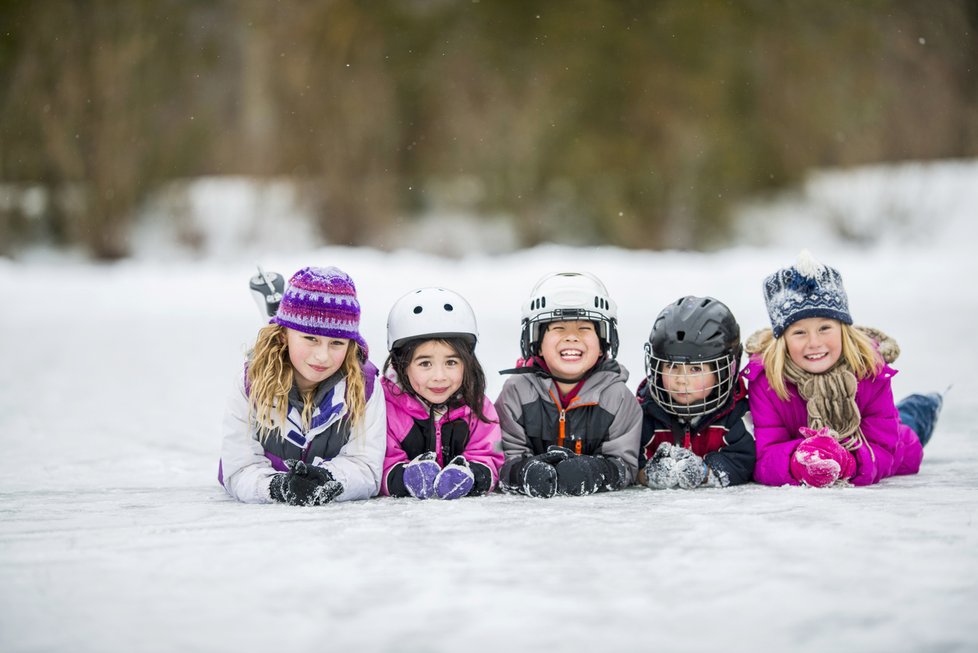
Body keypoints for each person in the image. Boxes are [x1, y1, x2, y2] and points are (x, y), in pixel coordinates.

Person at [744, 251, 942, 488]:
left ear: (843, 329)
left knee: (909, 438)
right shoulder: (766, 381)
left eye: (825, 328)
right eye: (799, 332)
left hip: (883, 442)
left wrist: (848, 462)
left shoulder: (869, 370)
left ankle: (924, 407)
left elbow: (883, 448)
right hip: (818, 449)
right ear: (782, 339)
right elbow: (765, 457)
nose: (814, 342)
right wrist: (800, 460)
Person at [219, 266, 386, 505]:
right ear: (284, 335)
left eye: (337, 342)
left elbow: (366, 467)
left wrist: (328, 478)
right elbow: (238, 467)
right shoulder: (251, 382)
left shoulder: (364, 386)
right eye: (311, 338)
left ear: (351, 344)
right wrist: (277, 487)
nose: (322, 356)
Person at [495, 272, 641, 498]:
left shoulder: (617, 397)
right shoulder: (516, 391)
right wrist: (524, 471)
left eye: (584, 328)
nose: (571, 337)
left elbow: (626, 465)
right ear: (537, 344)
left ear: (602, 345)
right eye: (558, 328)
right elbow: (505, 460)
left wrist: (595, 471)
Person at [380, 287, 504, 500]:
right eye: (425, 363)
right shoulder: (385, 406)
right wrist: (405, 478)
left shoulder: (477, 406)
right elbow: (382, 462)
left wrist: (472, 476)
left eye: (451, 362)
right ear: (401, 365)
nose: (439, 376)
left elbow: (488, 457)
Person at [636, 296, 755, 489]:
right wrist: (646, 474)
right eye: (671, 366)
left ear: (725, 371)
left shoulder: (738, 414)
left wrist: (706, 471)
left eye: (696, 369)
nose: (681, 379)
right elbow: (628, 462)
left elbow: (742, 461)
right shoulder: (645, 414)